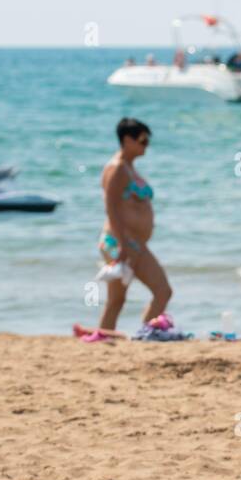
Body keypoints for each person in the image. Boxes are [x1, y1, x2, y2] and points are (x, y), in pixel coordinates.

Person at [93, 118, 173, 332]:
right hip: (121, 243)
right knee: (161, 291)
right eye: (142, 140)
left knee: (118, 301)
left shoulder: (128, 167)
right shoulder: (117, 168)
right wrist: (122, 246)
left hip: (132, 243)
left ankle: (124, 336)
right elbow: (111, 208)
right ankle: (145, 335)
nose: (146, 146)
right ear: (127, 140)